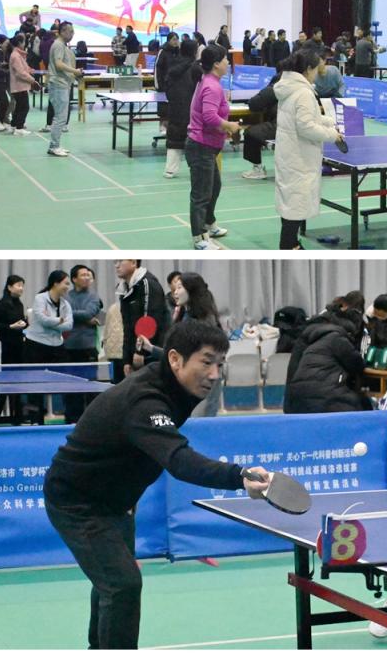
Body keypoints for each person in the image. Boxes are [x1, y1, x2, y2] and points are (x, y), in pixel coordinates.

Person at [44, 321, 272, 649]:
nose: (214, 374)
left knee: (111, 581)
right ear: (176, 360)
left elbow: (167, 355)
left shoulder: (173, 373)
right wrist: (239, 476)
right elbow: (179, 460)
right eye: (207, 363)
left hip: (117, 500)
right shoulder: (145, 400)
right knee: (122, 583)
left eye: (220, 364)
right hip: (77, 501)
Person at [273, 49, 344, 250]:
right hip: (299, 157)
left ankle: (293, 244)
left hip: (289, 153)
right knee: (296, 205)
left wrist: (327, 121)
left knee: (290, 202)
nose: (318, 73)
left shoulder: (289, 87)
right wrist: (332, 135)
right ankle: (288, 246)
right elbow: (306, 127)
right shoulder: (303, 92)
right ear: (308, 69)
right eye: (316, 68)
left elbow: (303, 117)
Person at [186, 44, 241, 250]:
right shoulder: (212, 86)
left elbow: (209, 116)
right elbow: (209, 117)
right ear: (217, 64)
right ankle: (199, 238)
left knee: (214, 187)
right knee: (201, 194)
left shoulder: (210, 81)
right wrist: (229, 126)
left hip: (208, 146)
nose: (228, 62)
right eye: (225, 59)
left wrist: (222, 128)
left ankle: (209, 224)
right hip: (201, 146)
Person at [285, 302, 368, 414]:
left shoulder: (316, 339)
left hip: (298, 397)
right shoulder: (338, 339)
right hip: (324, 396)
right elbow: (357, 364)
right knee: (361, 407)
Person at [21, 270, 74, 423]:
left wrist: (53, 321)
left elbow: (69, 325)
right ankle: (35, 420)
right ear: (55, 283)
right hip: (35, 345)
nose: (68, 287)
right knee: (35, 385)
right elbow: (43, 320)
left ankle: (70, 418)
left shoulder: (65, 304)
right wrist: (60, 320)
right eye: (66, 283)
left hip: (57, 346)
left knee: (67, 382)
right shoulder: (40, 298)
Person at [114, 260, 170, 380]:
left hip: (152, 355)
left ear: (133, 263)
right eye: (115, 261)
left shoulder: (147, 283)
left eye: (120, 261)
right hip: (136, 354)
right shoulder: (123, 289)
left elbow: (149, 321)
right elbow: (127, 327)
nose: (116, 265)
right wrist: (126, 360)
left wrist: (140, 352)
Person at [64, 265, 104, 424]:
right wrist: (84, 319)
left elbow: (89, 313)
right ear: (74, 279)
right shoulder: (66, 296)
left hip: (88, 347)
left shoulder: (94, 297)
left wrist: (72, 315)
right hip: (69, 347)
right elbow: (63, 312)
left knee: (90, 386)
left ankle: (91, 421)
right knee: (70, 386)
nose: (87, 278)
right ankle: (71, 419)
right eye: (83, 275)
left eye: (88, 275)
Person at [44, 21, 82, 157]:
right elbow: (58, 64)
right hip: (58, 84)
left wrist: (74, 74)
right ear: (63, 31)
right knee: (60, 117)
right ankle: (54, 146)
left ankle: (56, 145)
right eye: (70, 31)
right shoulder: (58, 45)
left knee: (61, 116)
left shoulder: (62, 46)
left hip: (63, 84)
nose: (72, 34)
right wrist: (75, 71)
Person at [160, 42, 197, 180]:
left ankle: (170, 170)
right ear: (194, 52)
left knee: (174, 137)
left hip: (175, 107)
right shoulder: (196, 68)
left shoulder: (173, 65)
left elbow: (166, 85)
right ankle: (197, 168)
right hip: (192, 109)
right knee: (195, 139)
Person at [0, 274, 29, 366]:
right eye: (19, 285)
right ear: (10, 287)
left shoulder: (20, 304)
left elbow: (21, 321)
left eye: (22, 286)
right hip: (5, 344)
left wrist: (25, 323)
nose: (21, 288)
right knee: (5, 370)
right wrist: (11, 326)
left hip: (19, 343)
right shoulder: (1, 304)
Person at [7, 33, 39, 136]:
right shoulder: (16, 56)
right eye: (24, 41)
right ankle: (19, 128)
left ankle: (13, 125)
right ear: (20, 43)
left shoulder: (18, 54)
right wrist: (32, 80)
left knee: (19, 106)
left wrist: (30, 70)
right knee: (24, 107)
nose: (25, 44)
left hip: (19, 85)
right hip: (19, 86)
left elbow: (23, 67)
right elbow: (20, 73)